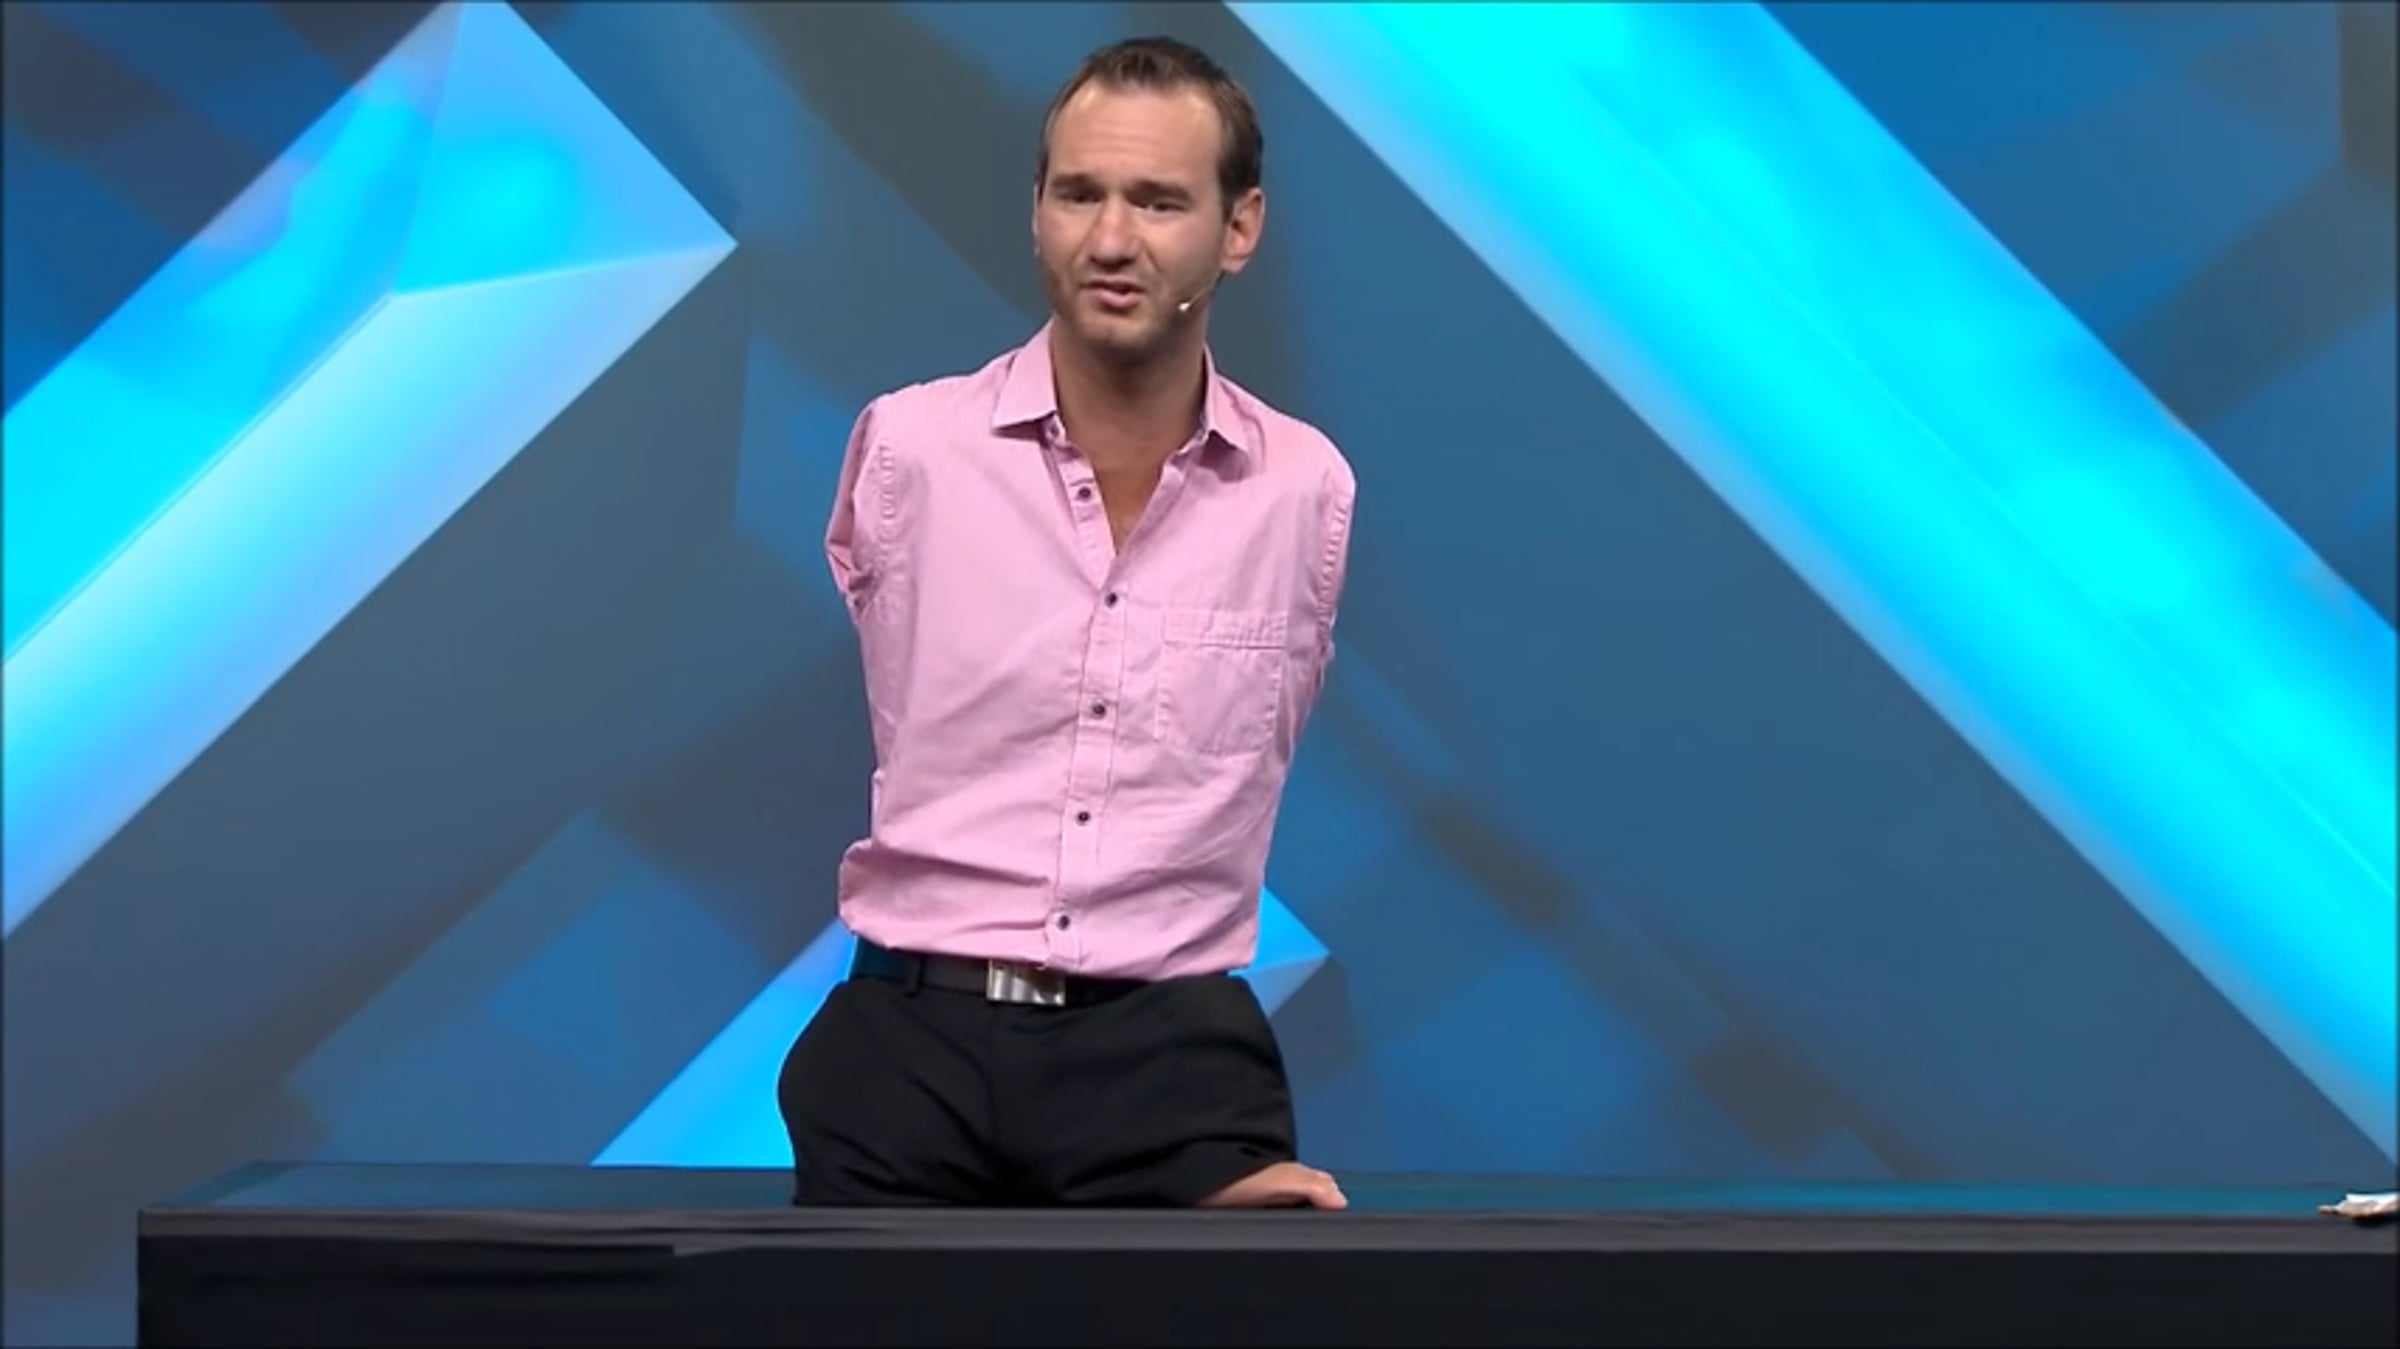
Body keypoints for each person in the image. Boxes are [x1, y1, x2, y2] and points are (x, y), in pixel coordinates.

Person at [778, 35, 1357, 1211]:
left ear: (1239, 228)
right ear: (1036, 210)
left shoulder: (1304, 489)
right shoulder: (909, 450)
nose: (1110, 240)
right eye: (1080, 194)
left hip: (1172, 1067)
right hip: (911, 1041)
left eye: (1158, 201)